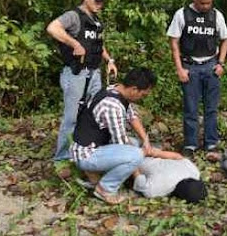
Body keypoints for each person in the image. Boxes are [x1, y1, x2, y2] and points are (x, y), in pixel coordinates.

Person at [71, 68, 179, 204]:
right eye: (143, 94)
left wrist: (145, 140)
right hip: (87, 154)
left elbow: (132, 116)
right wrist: (139, 172)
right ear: (134, 89)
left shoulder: (115, 90)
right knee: (135, 155)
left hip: (92, 145)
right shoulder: (112, 105)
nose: (142, 98)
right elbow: (121, 144)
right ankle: (104, 189)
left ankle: (95, 174)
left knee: (134, 143)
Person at [47, 0, 118, 161]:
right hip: (76, 73)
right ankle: (62, 158)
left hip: (94, 73)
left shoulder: (95, 19)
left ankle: (88, 150)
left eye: (102, 2)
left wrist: (109, 60)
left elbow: (98, 45)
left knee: (93, 113)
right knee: (71, 117)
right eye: (96, 0)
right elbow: (52, 28)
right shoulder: (74, 16)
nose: (99, 4)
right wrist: (74, 44)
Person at [166, 0, 227, 157]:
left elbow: (225, 39)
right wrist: (179, 68)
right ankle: (190, 144)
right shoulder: (182, 15)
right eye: (203, 3)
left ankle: (211, 143)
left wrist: (221, 63)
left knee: (211, 108)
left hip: (211, 65)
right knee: (190, 108)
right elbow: (174, 42)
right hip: (190, 66)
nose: (206, 6)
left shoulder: (216, 16)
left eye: (209, 3)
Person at [132, 158, 207, 204]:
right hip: (140, 157)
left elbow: (177, 156)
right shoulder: (156, 190)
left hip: (147, 153)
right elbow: (139, 179)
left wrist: (153, 152)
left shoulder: (194, 172)